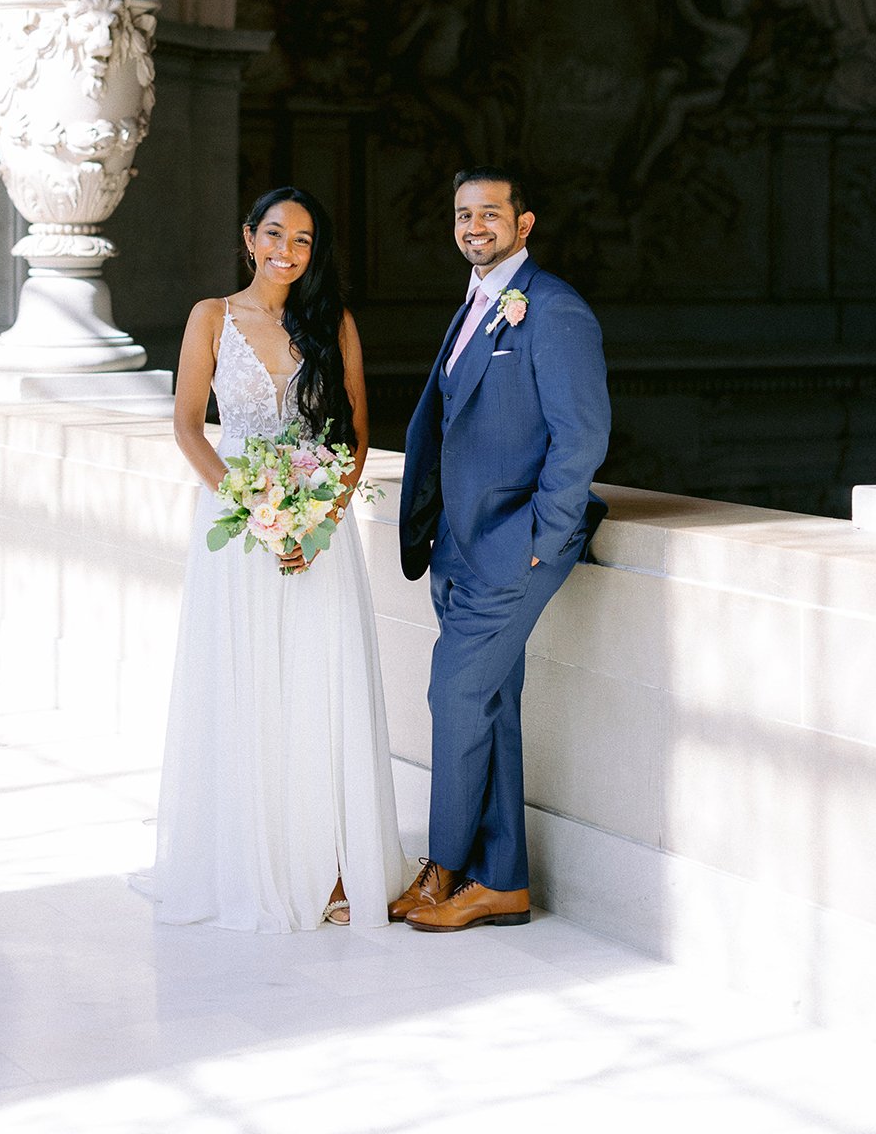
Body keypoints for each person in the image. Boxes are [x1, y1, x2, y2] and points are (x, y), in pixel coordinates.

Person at [151, 185, 408, 931]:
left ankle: (331, 865)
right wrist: (255, 512)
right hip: (236, 524)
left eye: (302, 241)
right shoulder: (210, 318)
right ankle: (248, 856)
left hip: (318, 532)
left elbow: (357, 434)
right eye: (274, 234)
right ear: (248, 237)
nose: (286, 252)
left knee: (318, 683)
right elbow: (189, 428)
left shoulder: (334, 323)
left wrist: (318, 517)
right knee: (249, 679)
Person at [390, 165, 610, 932]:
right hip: (458, 544)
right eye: (462, 214)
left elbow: (581, 437)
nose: (473, 225)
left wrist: (542, 542)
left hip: (512, 547)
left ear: (525, 224)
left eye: (490, 213)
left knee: (452, 692)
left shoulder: (553, 311)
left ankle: (443, 869)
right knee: (489, 705)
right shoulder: (477, 305)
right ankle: (503, 883)